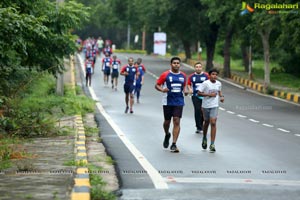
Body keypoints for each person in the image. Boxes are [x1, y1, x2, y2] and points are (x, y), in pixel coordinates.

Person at [155, 57, 187, 153]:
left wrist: (186, 91)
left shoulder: (183, 75)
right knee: (167, 122)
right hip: (167, 101)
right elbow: (157, 85)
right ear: (171, 64)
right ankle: (167, 134)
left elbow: (184, 87)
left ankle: (174, 143)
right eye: (174, 63)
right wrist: (162, 90)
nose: (176, 64)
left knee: (176, 121)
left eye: (178, 63)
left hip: (179, 101)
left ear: (180, 64)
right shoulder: (165, 75)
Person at [197, 68, 224, 153]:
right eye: (213, 74)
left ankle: (212, 144)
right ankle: (204, 137)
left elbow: (219, 91)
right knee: (206, 122)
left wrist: (222, 97)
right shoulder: (205, 83)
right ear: (209, 75)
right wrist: (209, 94)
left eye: (216, 74)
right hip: (205, 106)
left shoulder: (219, 83)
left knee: (213, 122)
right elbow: (199, 93)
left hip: (214, 105)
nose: (214, 76)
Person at [187, 62, 209, 134]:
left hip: (204, 95)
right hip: (195, 95)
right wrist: (190, 89)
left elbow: (210, 84)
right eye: (196, 67)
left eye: (199, 67)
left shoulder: (206, 76)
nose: (198, 68)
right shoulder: (191, 76)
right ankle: (198, 127)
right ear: (194, 68)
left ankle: (202, 124)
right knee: (197, 110)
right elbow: (188, 84)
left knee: (204, 111)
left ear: (202, 68)